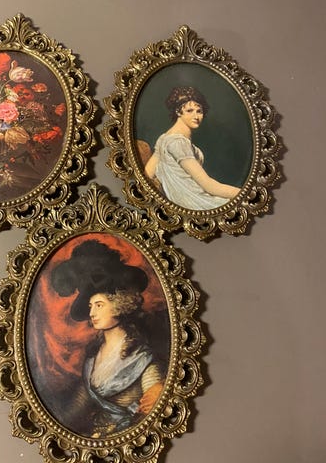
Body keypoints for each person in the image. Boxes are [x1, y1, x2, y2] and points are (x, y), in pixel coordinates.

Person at [50, 240, 165, 437]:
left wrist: (156, 392)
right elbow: (77, 407)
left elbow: (153, 403)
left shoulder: (141, 356)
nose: (92, 313)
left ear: (120, 305)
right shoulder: (93, 357)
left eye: (99, 305)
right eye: (90, 306)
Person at [144, 86, 240, 210]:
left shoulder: (164, 138)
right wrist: (244, 193)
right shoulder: (177, 142)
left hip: (188, 202)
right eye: (189, 111)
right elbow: (209, 186)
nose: (196, 116)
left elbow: (147, 174)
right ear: (178, 112)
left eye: (199, 111)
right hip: (195, 202)